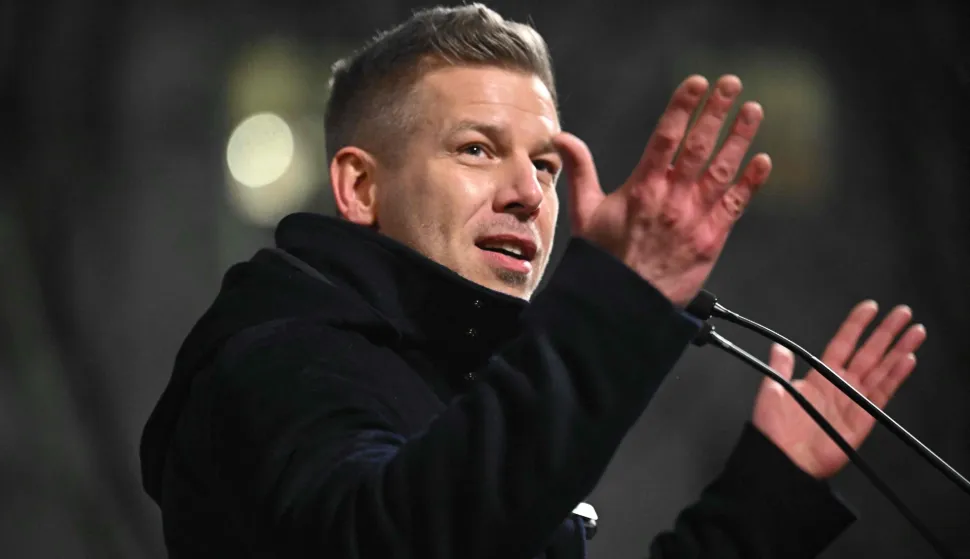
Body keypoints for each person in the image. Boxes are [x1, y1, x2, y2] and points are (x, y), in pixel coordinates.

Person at [139, 4, 927, 558]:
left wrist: (771, 490)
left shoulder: (458, 382)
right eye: (477, 150)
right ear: (360, 187)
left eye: (545, 164)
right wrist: (625, 296)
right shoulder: (281, 362)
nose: (528, 192)